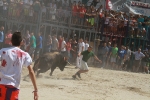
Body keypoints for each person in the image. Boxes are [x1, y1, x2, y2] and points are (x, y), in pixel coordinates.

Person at [0, 32, 38, 100]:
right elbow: (31, 71)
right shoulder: (25, 55)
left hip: (1, 86)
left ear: (11, 41)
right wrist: (36, 90)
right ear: (21, 42)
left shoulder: (3, 51)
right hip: (14, 88)